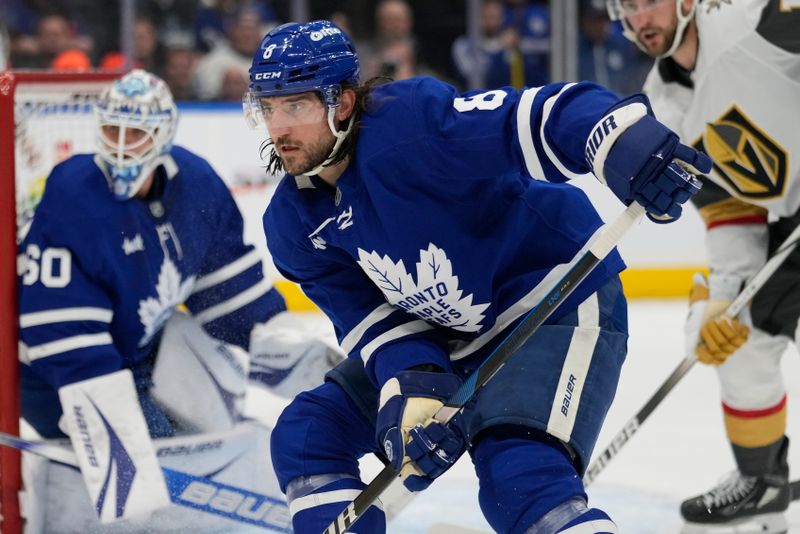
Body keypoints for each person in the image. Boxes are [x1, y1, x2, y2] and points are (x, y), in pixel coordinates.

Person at [244, 19, 710, 534]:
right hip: (448, 333)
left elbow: (529, 119)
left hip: (552, 301)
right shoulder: (293, 225)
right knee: (308, 434)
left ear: (343, 103)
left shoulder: (410, 127)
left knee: (520, 480)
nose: (278, 127)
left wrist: (620, 141)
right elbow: (375, 324)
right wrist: (412, 388)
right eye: (267, 107)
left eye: (296, 106)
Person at [17, 69, 342, 533]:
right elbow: (61, 330)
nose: (123, 146)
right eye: (113, 131)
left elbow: (227, 293)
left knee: (212, 421)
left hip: (137, 351)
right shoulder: (74, 193)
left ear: (163, 134)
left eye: (138, 133)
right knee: (145, 465)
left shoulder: (193, 182)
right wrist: (115, 432)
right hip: (53, 374)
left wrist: (286, 351)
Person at [607, 0, 800, 532]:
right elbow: (726, 204)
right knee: (740, 338)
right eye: (629, 7)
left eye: (649, 2)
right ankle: (764, 484)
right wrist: (726, 291)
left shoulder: (751, 19)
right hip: (785, 221)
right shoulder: (662, 107)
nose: (641, 17)